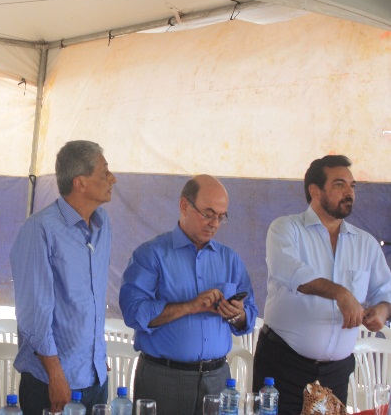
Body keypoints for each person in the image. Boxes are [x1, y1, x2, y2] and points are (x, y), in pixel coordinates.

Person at [253, 155, 391, 415]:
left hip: (336, 373)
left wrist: (382, 310)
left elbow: (386, 291)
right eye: (339, 184)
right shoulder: (286, 229)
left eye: (352, 185)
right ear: (315, 190)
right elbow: (291, 272)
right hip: (283, 367)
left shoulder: (366, 243)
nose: (349, 192)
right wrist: (340, 293)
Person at [119, 174, 257, 415]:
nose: (214, 223)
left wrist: (237, 315)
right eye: (208, 214)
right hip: (164, 378)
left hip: (217, 379)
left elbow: (249, 316)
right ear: (184, 206)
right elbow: (134, 312)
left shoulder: (230, 259)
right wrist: (190, 306)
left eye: (221, 217)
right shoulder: (152, 254)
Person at [10, 140, 117, 414]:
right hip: (53, 382)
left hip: (94, 375)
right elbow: (34, 314)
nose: (112, 179)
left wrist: (95, 353)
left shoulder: (102, 224)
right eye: (104, 172)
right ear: (80, 183)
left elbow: (90, 298)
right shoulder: (40, 229)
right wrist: (56, 375)